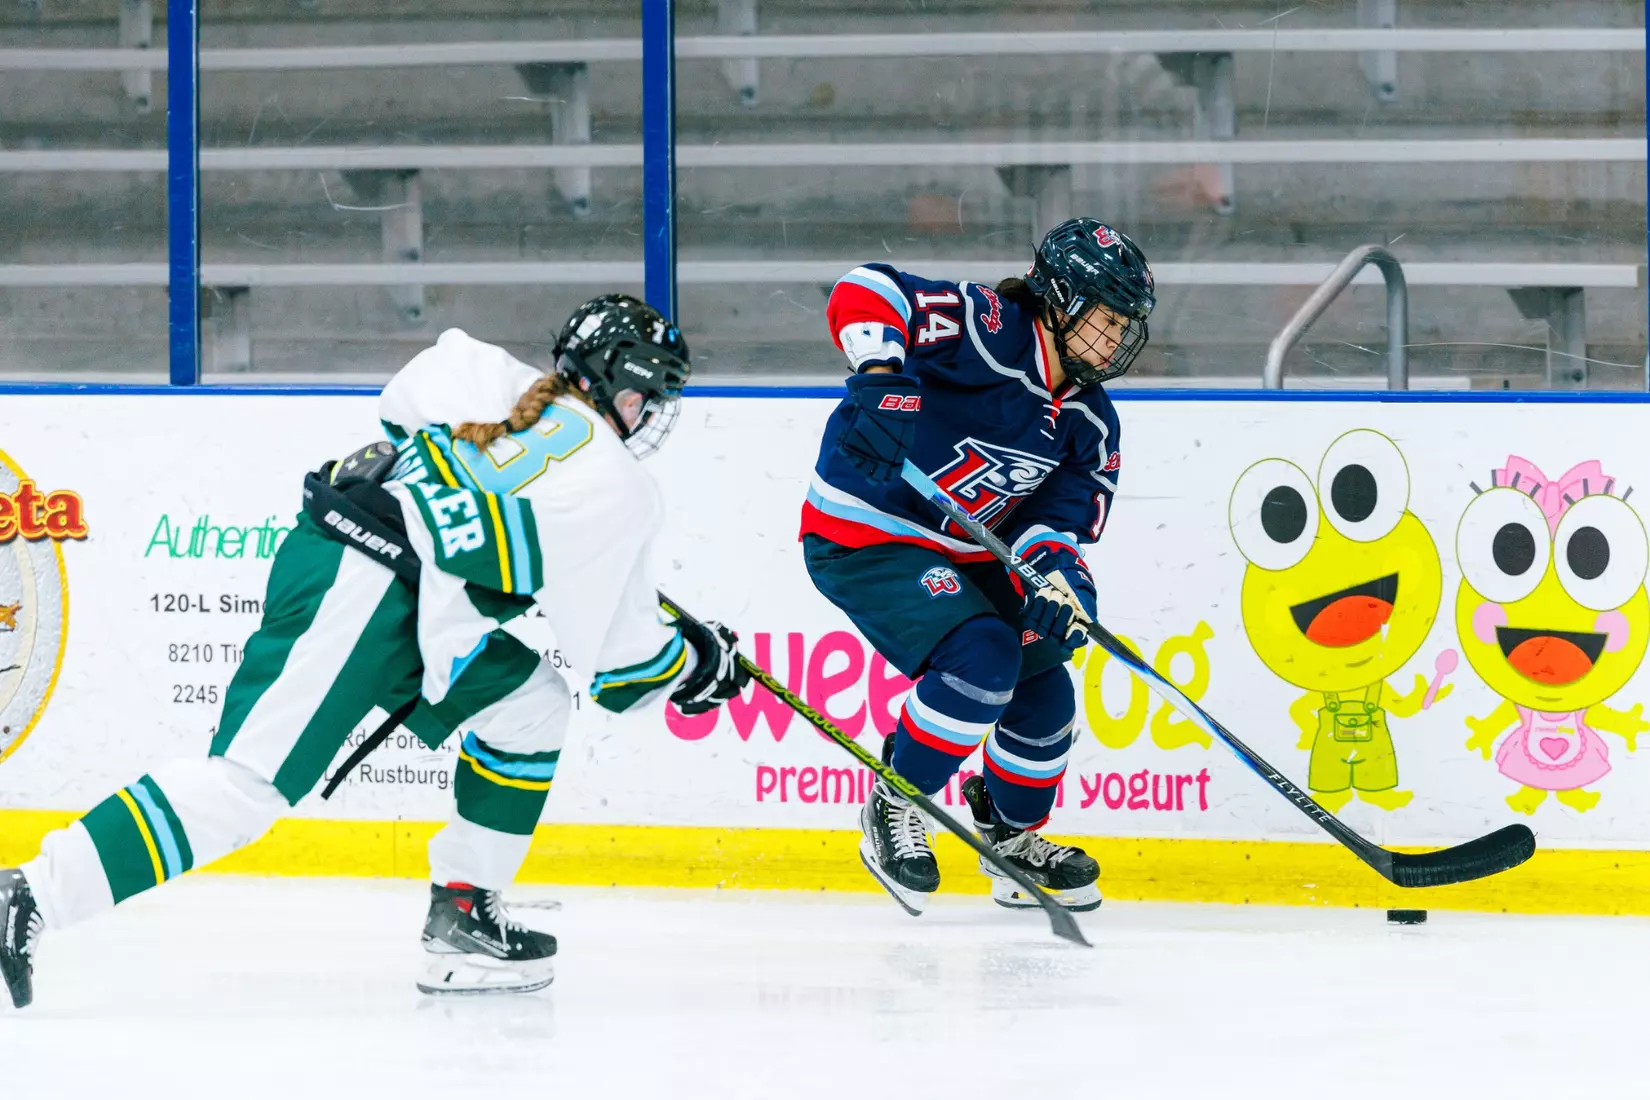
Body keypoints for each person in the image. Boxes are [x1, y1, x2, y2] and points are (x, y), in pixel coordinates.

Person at [0, 294, 747, 1009]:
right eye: (651, 400)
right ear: (627, 391)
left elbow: (398, 413)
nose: (649, 419)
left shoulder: (488, 373)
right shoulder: (620, 485)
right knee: (244, 788)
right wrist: (698, 662)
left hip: (378, 575)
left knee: (530, 711)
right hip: (368, 589)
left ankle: (463, 917)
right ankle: (32, 891)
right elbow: (625, 675)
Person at [799, 218, 1155, 914]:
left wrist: (1060, 580)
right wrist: (880, 377)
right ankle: (894, 802)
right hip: (866, 534)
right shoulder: (986, 326)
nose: (1114, 341)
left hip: (966, 551)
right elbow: (868, 287)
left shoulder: (1091, 421)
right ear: (1058, 300)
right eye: (1105, 321)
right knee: (983, 658)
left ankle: (1008, 835)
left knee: (1046, 682)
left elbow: (1054, 523)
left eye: (1123, 327)